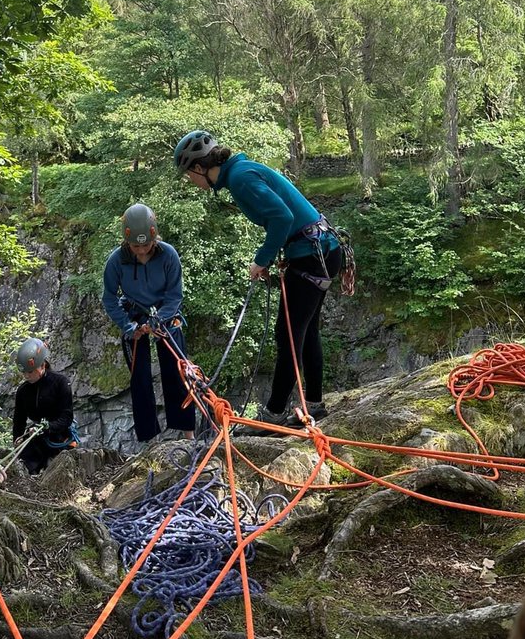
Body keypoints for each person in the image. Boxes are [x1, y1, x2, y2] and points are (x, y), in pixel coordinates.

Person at [174, 131, 343, 425]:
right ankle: (314, 404)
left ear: (200, 167)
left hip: (311, 255)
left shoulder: (240, 178)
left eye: (189, 174)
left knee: (287, 335)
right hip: (320, 251)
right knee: (305, 332)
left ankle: (275, 414)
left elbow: (282, 218)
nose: (190, 181)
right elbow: (285, 218)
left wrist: (261, 260)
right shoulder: (241, 172)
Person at [101, 202, 196, 444]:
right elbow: (109, 298)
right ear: (126, 241)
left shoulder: (168, 255)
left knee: (177, 372)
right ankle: (149, 439)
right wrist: (128, 326)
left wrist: (160, 320)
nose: (142, 251)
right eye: (136, 246)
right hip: (133, 313)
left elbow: (175, 295)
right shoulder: (116, 261)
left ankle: (187, 432)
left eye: (146, 245)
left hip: (165, 312)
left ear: (155, 237)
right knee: (139, 377)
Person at [11, 337, 77, 475]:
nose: (26, 376)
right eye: (23, 373)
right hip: (36, 437)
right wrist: (17, 441)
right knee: (26, 465)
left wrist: (48, 427)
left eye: (30, 372)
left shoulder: (61, 383)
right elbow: (19, 421)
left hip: (60, 436)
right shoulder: (23, 391)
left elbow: (66, 417)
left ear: (42, 366)